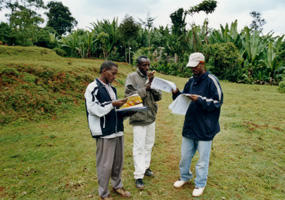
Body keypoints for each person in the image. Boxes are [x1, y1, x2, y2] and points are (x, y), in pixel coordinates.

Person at [172, 52, 223, 197]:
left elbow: (217, 102)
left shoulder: (212, 81)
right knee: (185, 156)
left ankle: (200, 183)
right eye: (191, 67)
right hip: (190, 125)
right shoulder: (190, 80)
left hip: (206, 127)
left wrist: (199, 99)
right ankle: (184, 177)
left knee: (202, 160)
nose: (193, 69)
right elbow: (184, 98)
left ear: (202, 64)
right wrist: (177, 93)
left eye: (195, 66)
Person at [85, 61, 131, 200]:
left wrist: (129, 111)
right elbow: (94, 109)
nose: (114, 77)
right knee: (105, 164)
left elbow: (114, 111)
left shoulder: (113, 89)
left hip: (117, 130)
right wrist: (112, 104)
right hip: (105, 132)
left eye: (116, 74)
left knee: (118, 162)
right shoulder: (93, 88)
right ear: (104, 70)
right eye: (113, 73)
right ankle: (104, 193)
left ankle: (117, 185)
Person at [124, 56, 162, 189]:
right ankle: (138, 175)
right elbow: (129, 97)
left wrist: (153, 86)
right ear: (138, 65)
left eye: (148, 65)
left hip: (151, 116)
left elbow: (159, 97)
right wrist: (145, 88)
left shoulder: (152, 78)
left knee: (149, 144)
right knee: (139, 146)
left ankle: (145, 167)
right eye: (144, 65)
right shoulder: (132, 77)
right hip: (138, 117)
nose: (146, 68)